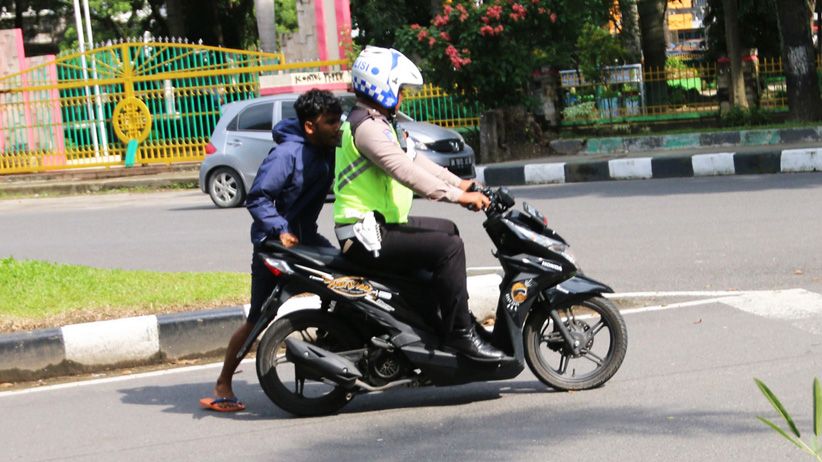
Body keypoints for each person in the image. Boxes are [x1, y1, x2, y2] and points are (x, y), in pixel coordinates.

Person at [333, 46, 504, 362]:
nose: (402, 97)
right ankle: (460, 335)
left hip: (378, 227)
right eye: (399, 90)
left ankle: (444, 323)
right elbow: (405, 171)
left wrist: (462, 183)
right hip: (364, 234)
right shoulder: (367, 128)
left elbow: (417, 160)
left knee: (449, 232)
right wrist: (457, 197)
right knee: (448, 248)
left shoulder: (379, 122)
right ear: (381, 86)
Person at [200, 89, 342, 412]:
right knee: (258, 318)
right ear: (310, 126)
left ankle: (332, 347)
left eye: (339, 120)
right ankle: (223, 383)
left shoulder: (326, 149)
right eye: (331, 122)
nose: (338, 127)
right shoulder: (286, 155)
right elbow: (258, 197)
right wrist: (281, 229)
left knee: (347, 282)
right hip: (275, 245)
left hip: (307, 240)